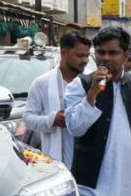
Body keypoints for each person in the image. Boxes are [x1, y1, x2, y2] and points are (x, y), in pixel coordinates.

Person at [64, 26, 131, 195]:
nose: (105, 58)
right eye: (100, 52)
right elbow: (75, 128)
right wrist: (92, 94)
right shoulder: (80, 84)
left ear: (126, 55)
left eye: (112, 53)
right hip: (90, 188)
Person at [24, 31, 91, 167]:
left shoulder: (91, 83)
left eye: (87, 56)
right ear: (64, 53)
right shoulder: (42, 83)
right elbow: (28, 119)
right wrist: (52, 120)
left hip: (88, 161)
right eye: (79, 56)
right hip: (56, 162)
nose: (85, 61)